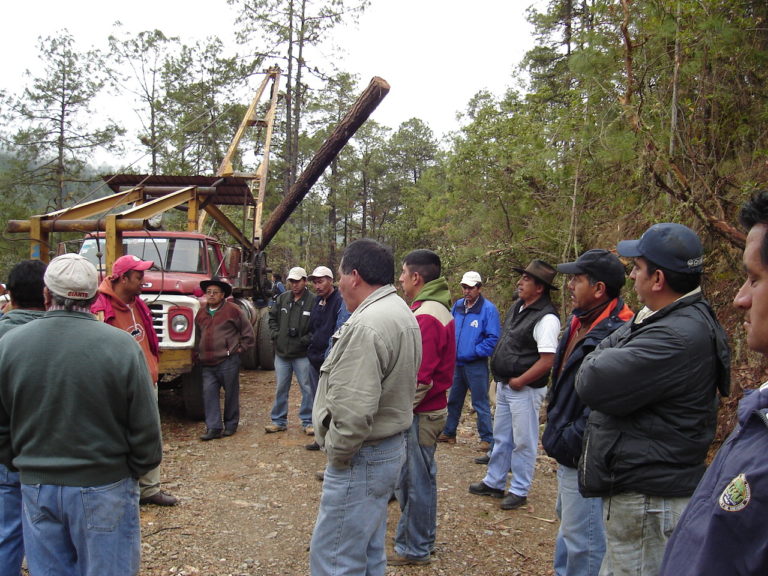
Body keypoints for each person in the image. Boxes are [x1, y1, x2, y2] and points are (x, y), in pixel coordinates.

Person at [575, 223, 730, 576]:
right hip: (646, 493)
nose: (631, 276)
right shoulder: (671, 321)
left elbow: (590, 378)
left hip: (650, 500)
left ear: (657, 279)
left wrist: (610, 346)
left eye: (638, 268)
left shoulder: (675, 335)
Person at [0, 253, 162, 576]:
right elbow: (146, 430)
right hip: (106, 486)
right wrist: (133, 471)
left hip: (37, 488)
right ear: (93, 296)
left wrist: (25, 464)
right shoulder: (122, 347)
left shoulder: (10, 345)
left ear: (47, 295)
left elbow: (3, 427)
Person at [659, 193, 768, 575]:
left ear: (658, 277)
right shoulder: (760, 411)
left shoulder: (683, 332)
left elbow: (595, 381)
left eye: (754, 278)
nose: (739, 298)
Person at [309, 239, 422, 576]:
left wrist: (338, 453)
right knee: (368, 548)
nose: (340, 282)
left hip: (362, 456)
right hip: (387, 450)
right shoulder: (400, 311)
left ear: (354, 276)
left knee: (334, 557)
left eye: (341, 274)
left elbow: (354, 412)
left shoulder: (367, 325)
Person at [542, 250, 633, 576]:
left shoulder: (619, 334)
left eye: (576, 280)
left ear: (598, 289)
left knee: (587, 542)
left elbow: (607, 404)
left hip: (586, 455)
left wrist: (571, 438)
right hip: (572, 451)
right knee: (569, 531)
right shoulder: (580, 321)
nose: (569, 286)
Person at [469, 260, 561, 511]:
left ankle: (520, 488)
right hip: (507, 385)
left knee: (524, 440)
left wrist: (521, 380)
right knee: (502, 437)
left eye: (526, 279)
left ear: (539, 287)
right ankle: (495, 481)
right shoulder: (518, 307)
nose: (520, 283)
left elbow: (548, 359)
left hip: (525, 389)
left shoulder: (547, 318)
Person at [91, 254, 177, 506]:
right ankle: (117, 488)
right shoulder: (100, 308)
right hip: (117, 385)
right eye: (139, 276)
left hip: (146, 378)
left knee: (150, 431)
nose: (144, 280)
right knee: (118, 434)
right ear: (123, 278)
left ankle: (149, 488)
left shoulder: (137, 303)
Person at [390, 250, 456, 566]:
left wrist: (397, 414)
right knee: (419, 478)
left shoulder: (427, 316)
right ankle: (419, 542)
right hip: (427, 411)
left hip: (421, 414)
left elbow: (421, 378)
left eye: (404, 273)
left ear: (417, 278)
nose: (400, 278)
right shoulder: (432, 309)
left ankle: (415, 548)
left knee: (415, 482)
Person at [0, 260, 46, 576]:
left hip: (7, 456)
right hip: (56, 460)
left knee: (7, 534)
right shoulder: (67, 336)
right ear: (48, 293)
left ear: (10, 294)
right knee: (53, 540)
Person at [438, 271, 500, 451]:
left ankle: (487, 438)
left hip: (476, 364)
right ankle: (449, 432)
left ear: (479, 288)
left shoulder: (488, 309)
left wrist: (474, 352)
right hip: (456, 363)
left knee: (480, 401)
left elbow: (493, 338)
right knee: (454, 399)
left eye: (470, 288)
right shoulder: (457, 306)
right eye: (464, 287)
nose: (466, 291)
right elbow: (449, 328)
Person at [195, 276, 255, 441]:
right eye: (208, 292)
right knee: (209, 394)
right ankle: (213, 427)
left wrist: (240, 349)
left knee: (231, 394)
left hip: (228, 360)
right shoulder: (201, 313)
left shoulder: (233, 310)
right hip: (207, 362)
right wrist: (197, 353)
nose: (211, 295)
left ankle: (230, 424)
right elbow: (197, 335)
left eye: (215, 292)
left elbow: (248, 333)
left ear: (223, 295)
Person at [266, 266, 316, 434]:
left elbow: (317, 327)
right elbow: (271, 318)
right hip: (282, 353)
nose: (294, 285)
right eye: (291, 281)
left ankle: (308, 421)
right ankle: (278, 420)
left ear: (305, 281)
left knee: (307, 388)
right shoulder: (282, 299)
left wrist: (305, 341)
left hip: (302, 354)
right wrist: (276, 334)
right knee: (281, 387)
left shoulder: (313, 301)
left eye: (297, 281)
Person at [304, 265, 344, 451]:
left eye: (320, 281)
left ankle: (331, 441)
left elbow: (338, 330)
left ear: (330, 281)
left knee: (331, 403)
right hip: (314, 359)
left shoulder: (339, 301)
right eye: (314, 282)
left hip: (329, 361)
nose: (317, 286)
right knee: (316, 400)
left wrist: (328, 356)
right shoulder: (318, 301)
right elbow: (313, 328)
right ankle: (320, 438)